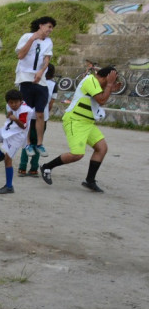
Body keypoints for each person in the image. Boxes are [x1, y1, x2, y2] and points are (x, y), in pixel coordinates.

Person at [40, 66, 118, 192]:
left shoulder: (96, 84)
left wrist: (110, 88)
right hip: (75, 121)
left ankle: (90, 180)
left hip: (87, 122)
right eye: (112, 79)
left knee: (101, 148)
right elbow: (102, 100)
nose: (113, 82)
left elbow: (101, 98)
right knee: (77, 154)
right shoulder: (90, 81)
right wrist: (109, 85)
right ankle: (47, 167)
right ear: (107, 77)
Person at [15, 16, 56, 158]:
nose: (50, 30)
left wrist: (41, 71)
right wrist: (32, 39)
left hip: (40, 80)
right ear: (41, 25)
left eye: (52, 28)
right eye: (49, 26)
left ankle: (39, 144)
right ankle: (27, 144)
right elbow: (20, 55)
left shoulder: (49, 42)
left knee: (40, 113)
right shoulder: (27, 36)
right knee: (26, 114)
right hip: (25, 78)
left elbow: (47, 59)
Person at [0, 89, 34, 194]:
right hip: (8, 131)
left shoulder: (24, 110)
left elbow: (24, 126)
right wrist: (9, 116)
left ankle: (9, 186)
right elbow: (8, 116)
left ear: (21, 101)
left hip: (17, 137)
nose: (14, 104)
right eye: (11, 102)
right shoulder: (9, 106)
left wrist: (15, 119)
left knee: (8, 160)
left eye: (16, 102)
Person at [18, 63, 58, 177]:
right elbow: (50, 104)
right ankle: (34, 168)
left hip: (28, 117)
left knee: (27, 142)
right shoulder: (53, 85)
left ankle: (22, 167)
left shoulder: (26, 83)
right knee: (38, 143)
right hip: (42, 118)